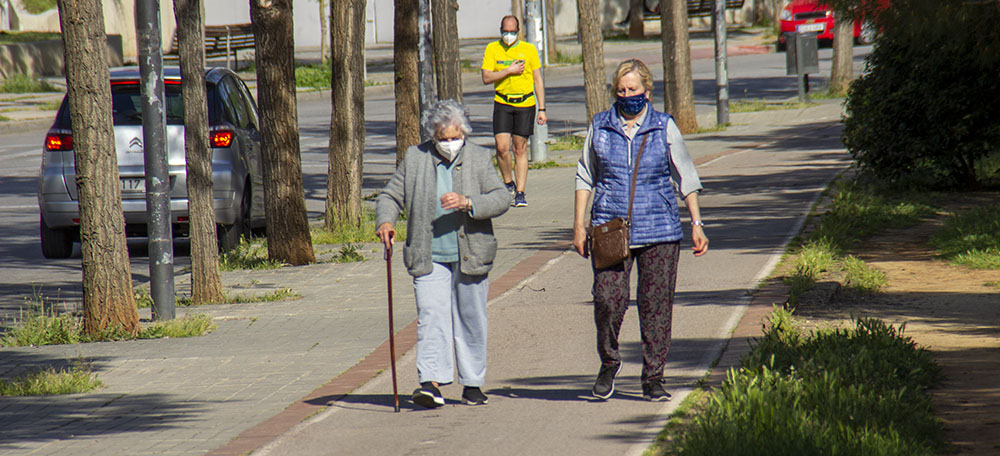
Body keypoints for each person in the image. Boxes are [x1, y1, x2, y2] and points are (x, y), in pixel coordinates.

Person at [572, 59, 709, 402]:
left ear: (647, 91)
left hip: (660, 229)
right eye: (621, 90)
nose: (627, 95)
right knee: (607, 299)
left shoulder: (664, 126)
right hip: (610, 229)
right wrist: (578, 224)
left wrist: (696, 223)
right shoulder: (601, 126)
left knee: (656, 305)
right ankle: (609, 361)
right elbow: (585, 175)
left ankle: (653, 377)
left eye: (633, 90)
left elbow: (686, 177)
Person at [375, 99, 511, 409]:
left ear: (464, 132)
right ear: (432, 135)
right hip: (429, 254)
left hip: (471, 253)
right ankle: (430, 384)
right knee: (432, 316)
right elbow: (391, 195)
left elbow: (501, 197)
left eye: (455, 137)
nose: (450, 144)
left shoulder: (478, 157)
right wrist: (385, 221)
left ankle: (473, 383)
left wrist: (469, 203)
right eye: (443, 138)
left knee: (471, 319)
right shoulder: (415, 157)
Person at [481, 14, 547, 208]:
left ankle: (520, 192)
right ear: (500, 30)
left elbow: (538, 80)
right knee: (502, 147)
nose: (508, 35)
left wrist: (542, 108)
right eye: (505, 32)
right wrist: (508, 71)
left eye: (512, 32)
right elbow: (486, 77)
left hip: (525, 103)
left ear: (518, 32)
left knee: (520, 148)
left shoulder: (528, 49)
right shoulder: (492, 49)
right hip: (502, 102)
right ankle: (508, 183)